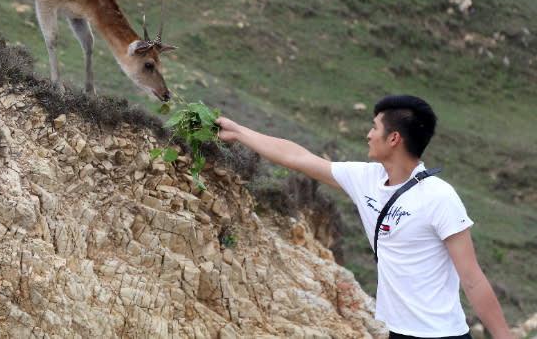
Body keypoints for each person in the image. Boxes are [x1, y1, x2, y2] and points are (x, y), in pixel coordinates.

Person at [216, 94, 512, 339]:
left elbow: (472, 279)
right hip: (396, 331)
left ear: (394, 138)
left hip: (442, 334)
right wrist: (240, 133)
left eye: (375, 128)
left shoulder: (440, 197)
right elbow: (299, 158)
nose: (368, 134)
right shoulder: (366, 178)